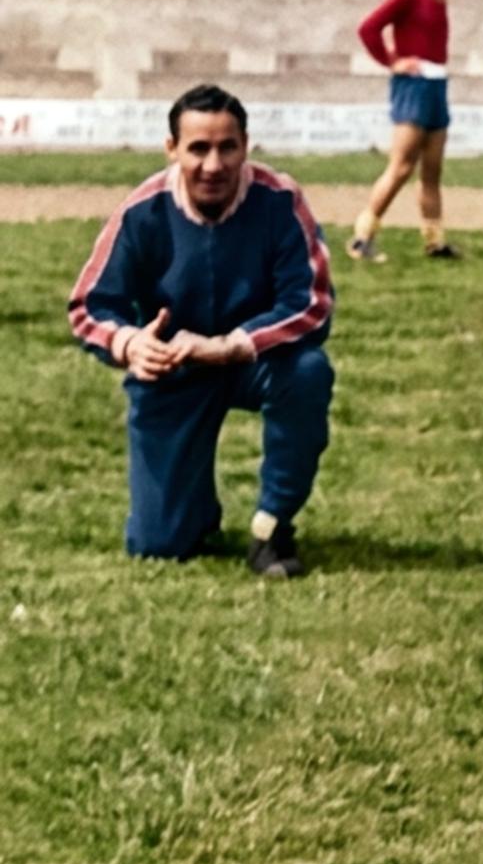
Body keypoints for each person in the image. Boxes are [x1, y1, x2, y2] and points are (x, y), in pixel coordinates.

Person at [67, 84, 335, 580]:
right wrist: (131, 344)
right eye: (198, 148)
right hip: (174, 371)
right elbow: (88, 305)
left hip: (253, 361)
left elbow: (312, 303)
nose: (213, 165)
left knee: (308, 372)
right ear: (172, 150)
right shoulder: (142, 211)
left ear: (245, 145)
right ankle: (191, 510)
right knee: (160, 544)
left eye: (226, 147)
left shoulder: (279, 200)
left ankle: (272, 525)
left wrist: (230, 345)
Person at [349, 0, 460, 262]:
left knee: (432, 171)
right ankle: (363, 237)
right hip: (413, 86)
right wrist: (391, 60)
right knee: (401, 167)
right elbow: (369, 28)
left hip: (437, 84)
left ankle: (435, 242)